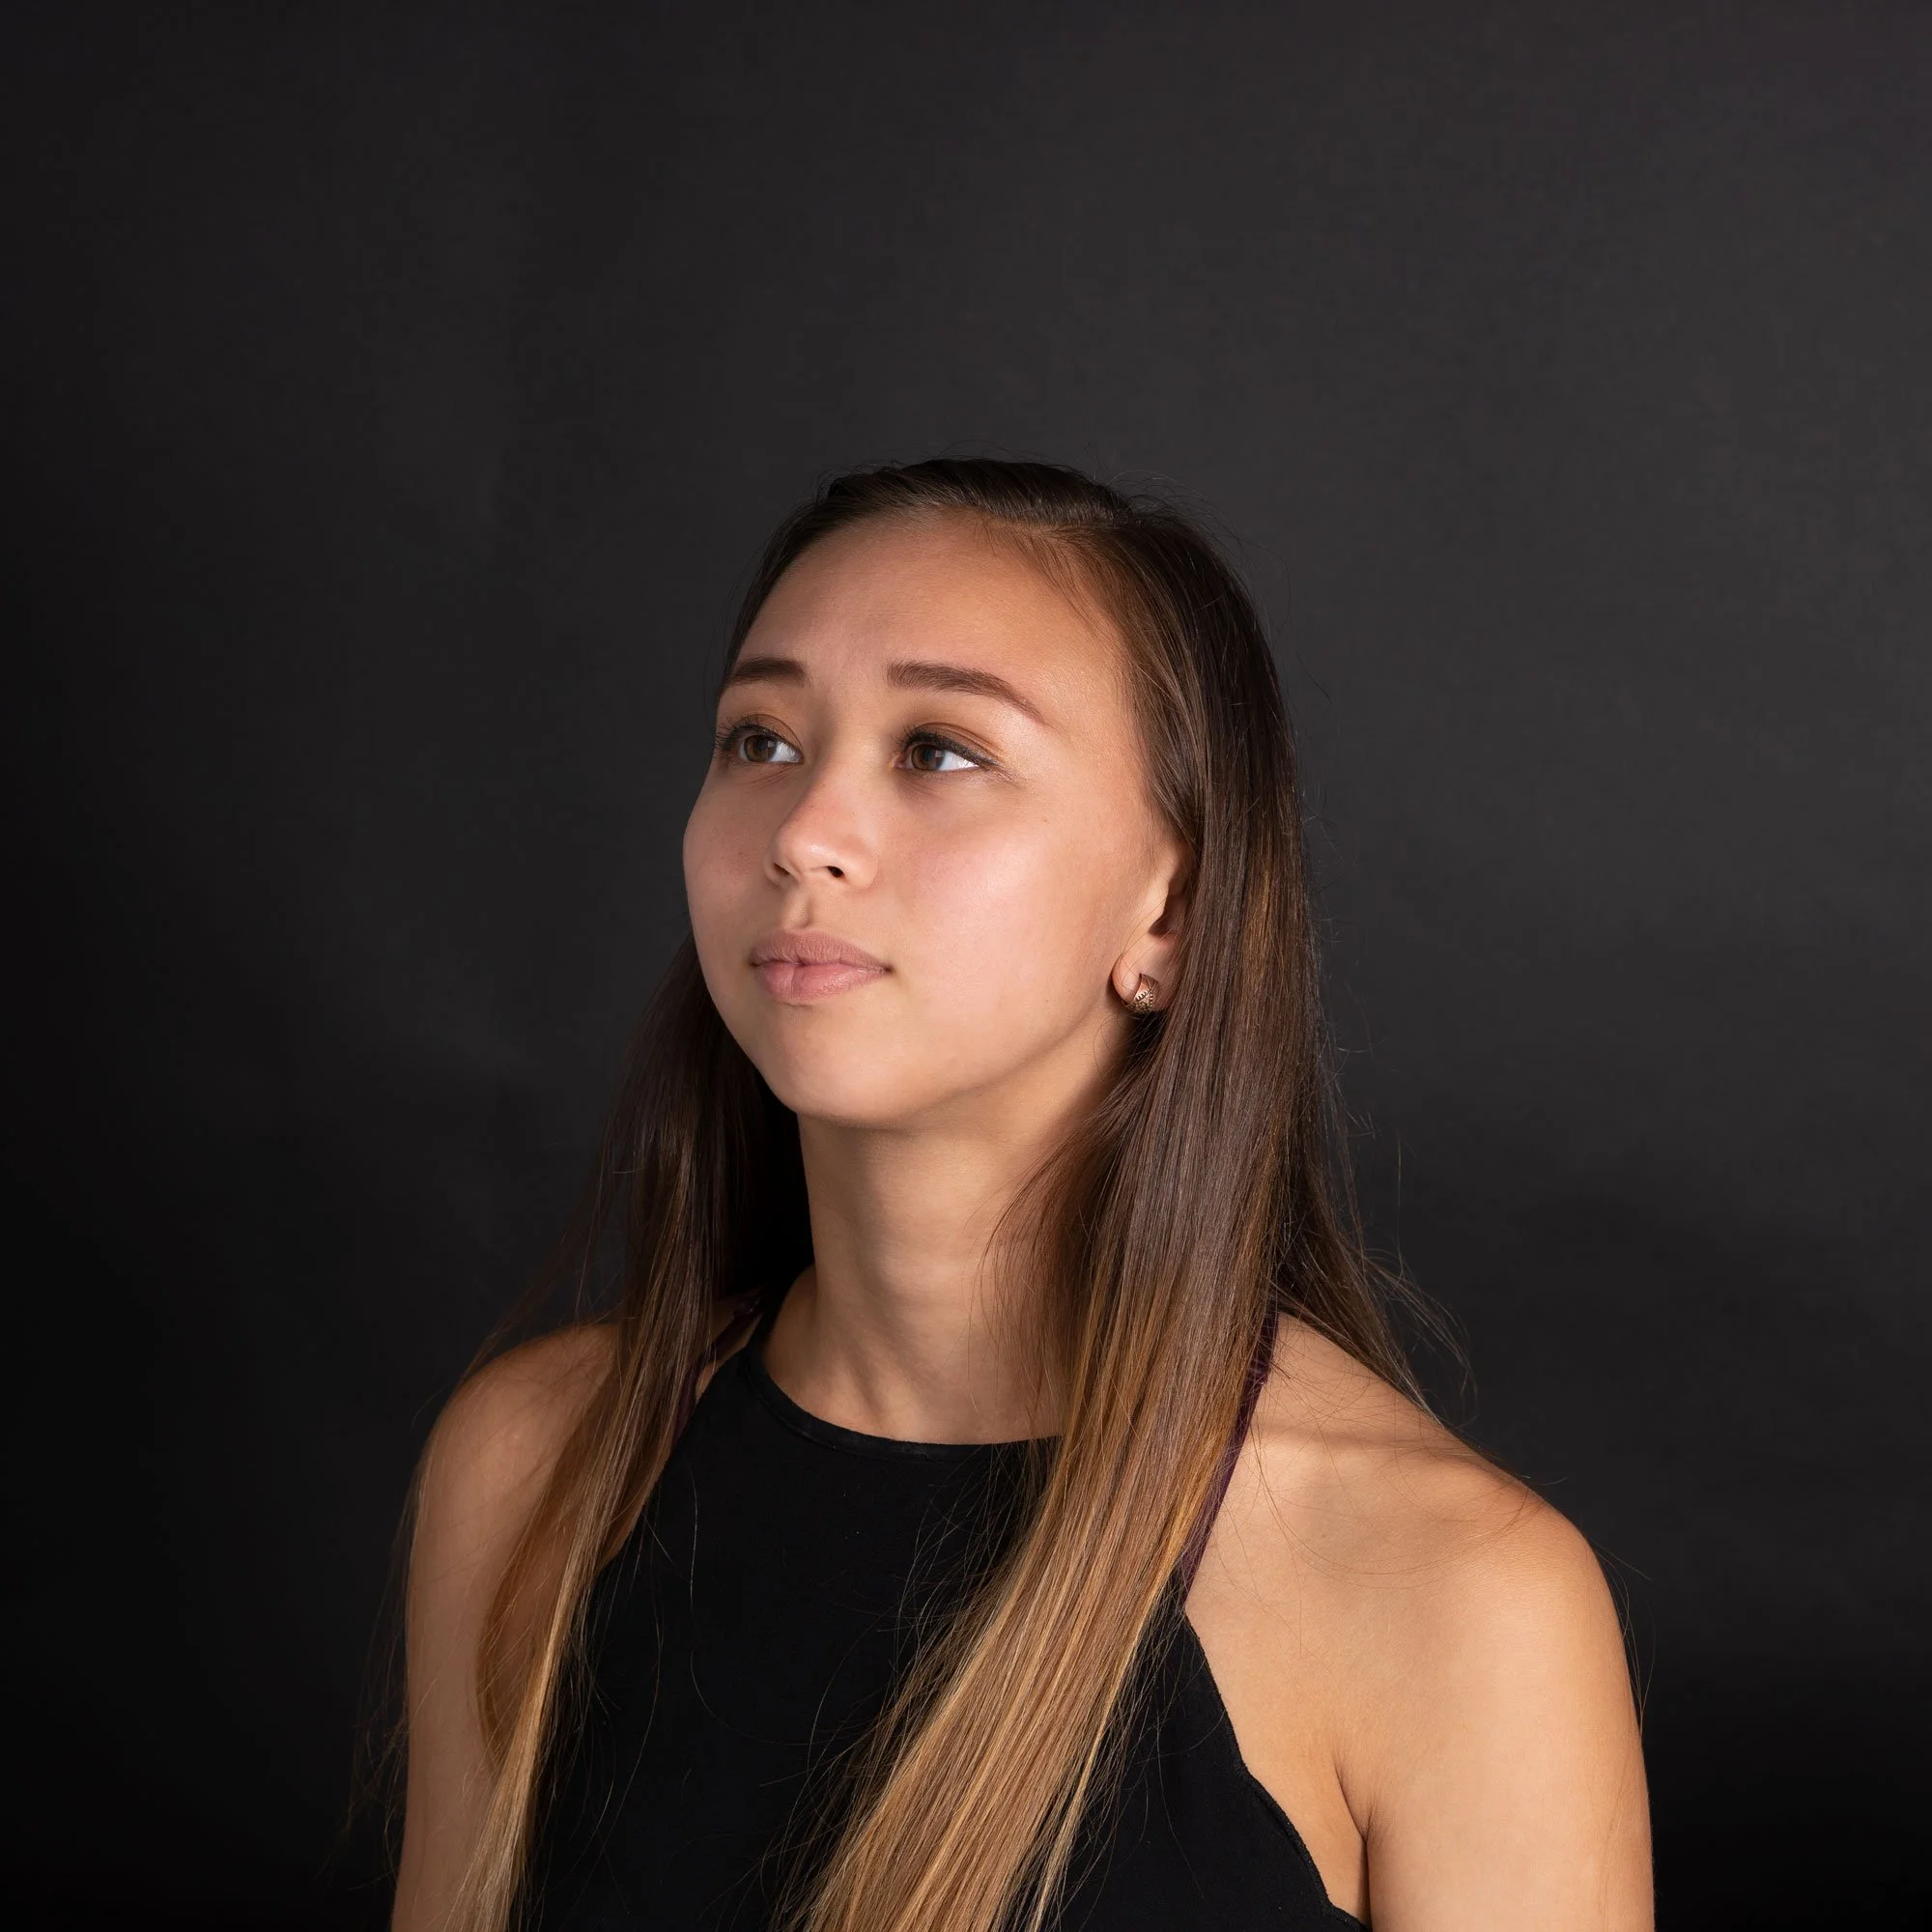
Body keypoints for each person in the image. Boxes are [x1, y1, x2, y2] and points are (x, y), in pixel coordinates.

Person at [390, 460, 1653, 1932]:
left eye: (938, 750)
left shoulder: (1456, 1597)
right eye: (760, 739)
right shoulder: (540, 1463)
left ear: (1168, 915)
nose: (805, 831)